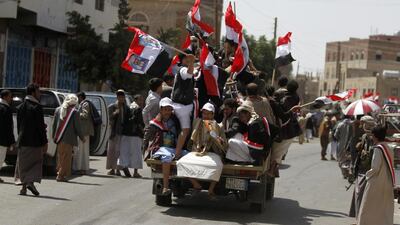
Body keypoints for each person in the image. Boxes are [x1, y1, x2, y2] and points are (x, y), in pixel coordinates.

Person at [178, 103, 228, 199]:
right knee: (181, 163)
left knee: (218, 166)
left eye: (209, 114)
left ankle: (210, 190)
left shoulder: (218, 126)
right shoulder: (197, 122)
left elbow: (224, 145)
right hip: (196, 152)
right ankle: (196, 185)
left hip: (212, 153)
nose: (206, 116)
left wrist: (218, 140)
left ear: (213, 115)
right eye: (204, 113)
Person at [145, 97, 188, 195]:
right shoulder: (155, 122)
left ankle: (195, 184)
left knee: (188, 156)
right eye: (165, 109)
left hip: (174, 148)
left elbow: (180, 134)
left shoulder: (176, 121)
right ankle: (165, 187)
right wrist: (145, 151)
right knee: (167, 157)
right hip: (160, 148)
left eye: (169, 109)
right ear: (161, 110)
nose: (167, 112)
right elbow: (147, 137)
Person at [357, 126, 394, 225]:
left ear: (375, 136)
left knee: (369, 206)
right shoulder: (388, 147)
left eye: (372, 135)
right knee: (383, 207)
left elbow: (375, 168)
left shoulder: (378, 149)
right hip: (387, 180)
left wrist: (367, 175)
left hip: (376, 181)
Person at [15, 84, 48, 196]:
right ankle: (30, 183)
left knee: (23, 165)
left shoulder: (20, 107)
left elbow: (19, 126)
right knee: (35, 164)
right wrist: (45, 142)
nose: (40, 94)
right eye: (39, 92)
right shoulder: (37, 107)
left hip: (23, 141)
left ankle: (23, 188)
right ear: (33, 93)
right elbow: (40, 127)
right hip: (35, 142)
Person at [52, 94, 85, 182]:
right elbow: (78, 127)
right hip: (69, 139)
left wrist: (54, 137)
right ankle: (60, 175)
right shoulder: (75, 112)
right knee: (66, 158)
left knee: (60, 157)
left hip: (59, 138)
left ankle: (61, 174)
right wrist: (82, 137)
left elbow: (54, 125)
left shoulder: (58, 109)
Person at [349, 116, 376, 218]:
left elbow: (371, 154)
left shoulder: (373, 137)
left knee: (361, 193)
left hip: (368, 170)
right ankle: (359, 217)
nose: (363, 126)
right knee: (358, 192)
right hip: (361, 168)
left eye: (364, 124)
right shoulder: (364, 136)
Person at [171, 51, 196, 159]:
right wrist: (192, 62)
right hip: (182, 106)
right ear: (181, 60)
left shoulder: (180, 70)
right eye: (186, 59)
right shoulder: (183, 70)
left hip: (183, 105)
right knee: (185, 130)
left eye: (188, 58)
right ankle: (177, 153)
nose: (188, 60)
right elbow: (189, 73)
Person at [118, 94, 145, 178]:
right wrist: (143, 132)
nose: (142, 102)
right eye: (140, 100)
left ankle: (124, 166)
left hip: (125, 133)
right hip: (135, 134)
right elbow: (139, 122)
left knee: (125, 151)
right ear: (136, 100)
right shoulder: (138, 108)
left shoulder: (127, 107)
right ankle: (135, 172)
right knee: (136, 153)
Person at [106, 90, 129, 176]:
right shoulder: (112, 107)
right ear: (117, 97)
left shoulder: (126, 107)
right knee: (111, 151)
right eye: (120, 97)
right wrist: (115, 113)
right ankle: (112, 169)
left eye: (122, 97)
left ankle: (118, 169)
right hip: (114, 132)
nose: (121, 98)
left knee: (120, 152)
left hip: (123, 132)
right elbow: (109, 118)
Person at [74, 92, 94, 175]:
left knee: (83, 151)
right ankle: (79, 168)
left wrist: (76, 113)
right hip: (81, 131)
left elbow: (85, 115)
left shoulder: (85, 104)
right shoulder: (81, 104)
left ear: (80, 97)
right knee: (80, 150)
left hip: (84, 131)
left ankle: (83, 168)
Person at [0, 90, 16, 183]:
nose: (11, 99)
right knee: (0, 157)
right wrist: (12, 141)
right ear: (5, 97)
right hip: (2, 139)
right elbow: (8, 127)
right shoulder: (6, 109)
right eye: (10, 96)